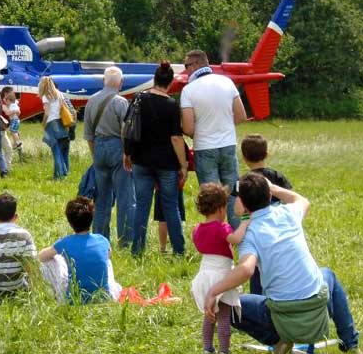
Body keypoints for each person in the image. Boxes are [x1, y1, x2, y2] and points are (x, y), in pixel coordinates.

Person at [204, 174, 359, 354]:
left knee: (225, 303)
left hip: (281, 317)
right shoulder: (288, 213)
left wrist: (214, 291)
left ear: (242, 203)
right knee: (328, 275)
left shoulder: (249, 234)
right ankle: (351, 345)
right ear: (269, 196)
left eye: (237, 197)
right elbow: (302, 200)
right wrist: (275, 189)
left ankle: (280, 338)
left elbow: (246, 270)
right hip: (317, 311)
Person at [126, 62, 189, 256]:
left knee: (141, 207)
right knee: (171, 207)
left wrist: (127, 153)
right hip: (166, 163)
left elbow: (128, 128)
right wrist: (183, 164)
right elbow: (176, 138)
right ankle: (178, 250)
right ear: (170, 83)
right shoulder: (171, 105)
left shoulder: (138, 99)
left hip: (141, 161)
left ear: (154, 79)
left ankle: (137, 250)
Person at [180, 49, 247, 227]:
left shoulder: (188, 90)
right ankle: (238, 234)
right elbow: (241, 116)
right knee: (233, 192)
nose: (186, 70)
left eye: (187, 66)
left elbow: (187, 127)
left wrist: (197, 132)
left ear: (195, 65)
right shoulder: (227, 82)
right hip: (228, 145)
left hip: (204, 147)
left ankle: (216, 235)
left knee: (211, 198)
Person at [190, 183, 249, 354]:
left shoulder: (197, 230)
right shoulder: (222, 227)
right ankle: (224, 351)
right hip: (221, 275)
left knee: (209, 315)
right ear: (220, 209)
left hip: (205, 273)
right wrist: (245, 221)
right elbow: (236, 239)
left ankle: (207, 349)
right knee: (224, 316)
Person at [83, 66, 134, 244]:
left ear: (104, 81)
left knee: (101, 198)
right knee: (124, 197)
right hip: (117, 147)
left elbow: (88, 134)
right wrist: (127, 154)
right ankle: (125, 240)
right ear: (121, 82)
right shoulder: (121, 102)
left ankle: (100, 238)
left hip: (98, 148)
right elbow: (125, 131)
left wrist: (94, 154)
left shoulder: (91, 101)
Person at [237, 133, 293, 294]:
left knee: (255, 264)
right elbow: (289, 198)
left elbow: (237, 209)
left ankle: (257, 296)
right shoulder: (276, 175)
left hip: (255, 230)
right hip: (278, 229)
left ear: (244, 157)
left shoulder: (242, 181)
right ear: (267, 154)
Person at [38, 197, 115, 304]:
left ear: (70, 222)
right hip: (103, 298)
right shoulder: (102, 240)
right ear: (92, 219)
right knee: (107, 260)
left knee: (51, 260)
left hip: (75, 299)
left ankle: (51, 295)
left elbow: (41, 257)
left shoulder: (65, 242)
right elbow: (109, 255)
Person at [39, 76, 69, 180]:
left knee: (56, 151)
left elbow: (47, 113)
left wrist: (43, 123)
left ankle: (59, 175)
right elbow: (64, 107)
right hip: (61, 123)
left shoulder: (45, 96)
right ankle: (61, 173)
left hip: (52, 124)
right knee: (59, 150)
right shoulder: (59, 93)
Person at [0, 86, 23, 152]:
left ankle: (17, 143)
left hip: (11, 121)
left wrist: (16, 111)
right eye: (12, 93)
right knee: (13, 132)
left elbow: (19, 112)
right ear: (6, 94)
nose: (13, 94)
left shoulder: (12, 103)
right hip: (3, 126)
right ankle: (17, 143)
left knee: (13, 132)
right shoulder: (3, 103)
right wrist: (16, 111)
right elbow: (8, 112)